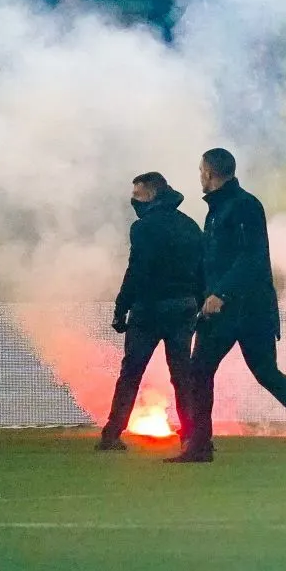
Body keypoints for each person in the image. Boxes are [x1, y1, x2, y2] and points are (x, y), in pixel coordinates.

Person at [170, 148, 286, 462]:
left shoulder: (245, 206)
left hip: (248, 310)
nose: (199, 176)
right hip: (222, 310)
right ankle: (199, 445)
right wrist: (202, 295)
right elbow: (211, 262)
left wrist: (221, 293)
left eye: (201, 170)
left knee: (264, 373)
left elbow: (251, 256)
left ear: (209, 173)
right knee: (199, 372)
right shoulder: (217, 210)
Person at [97, 172, 203, 452]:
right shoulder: (189, 225)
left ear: (152, 194)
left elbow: (136, 270)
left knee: (131, 372)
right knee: (182, 374)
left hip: (148, 309)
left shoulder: (142, 228)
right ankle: (192, 434)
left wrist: (121, 308)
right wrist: (200, 302)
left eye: (137, 194)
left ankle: (112, 433)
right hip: (183, 307)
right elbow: (203, 267)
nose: (133, 200)